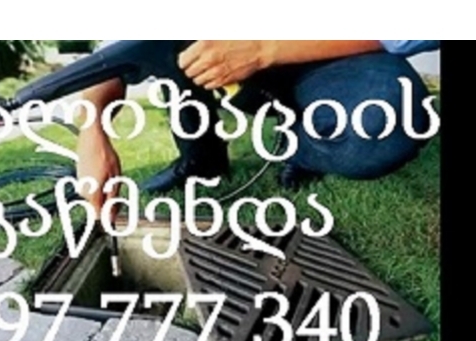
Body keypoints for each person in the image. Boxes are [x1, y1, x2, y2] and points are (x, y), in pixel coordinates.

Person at [76, 40, 440, 215]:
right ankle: (201, 161)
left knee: (387, 120)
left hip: (337, 53)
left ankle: (301, 149)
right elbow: (123, 50)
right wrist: (92, 129)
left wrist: (265, 48)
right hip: (238, 71)